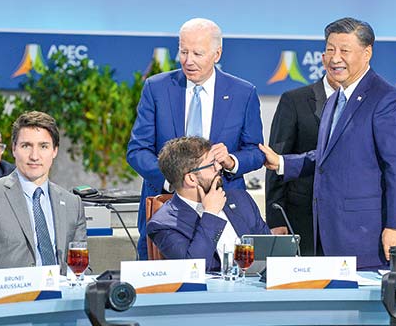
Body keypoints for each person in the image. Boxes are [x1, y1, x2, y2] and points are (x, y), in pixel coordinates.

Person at [260, 17, 396, 270]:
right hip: (326, 232)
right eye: (330, 49)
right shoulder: (336, 99)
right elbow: (329, 156)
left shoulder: (386, 100)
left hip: (367, 239)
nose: (335, 58)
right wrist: (283, 162)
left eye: (344, 50)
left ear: (367, 53)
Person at [127, 18, 265, 260]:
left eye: (197, 53)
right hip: (168, 204)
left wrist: (232, 161)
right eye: (183, 52)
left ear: (217, 54)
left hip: (224, 203)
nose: (188, 61)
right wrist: (175, 181)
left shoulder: (243, 93)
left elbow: (255, 151)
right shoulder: (156, 88)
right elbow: (137, 151)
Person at [0, 111, 86, 280]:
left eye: (43, 146)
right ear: (14, 149)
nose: (34, 156)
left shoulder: (72, 203)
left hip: (63, 300)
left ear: (54, 151)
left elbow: (82, 267)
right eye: (26, 146)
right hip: (12, 301)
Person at [147, 136, 269, 271]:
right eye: (212, 164)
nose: (219, 167)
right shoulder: (163, 224)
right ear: (191, 179)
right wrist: (210, 213)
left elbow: (270, 253)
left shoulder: (241, 199)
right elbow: (193, 269)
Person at [265, 57, 340, 255]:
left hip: (347, 221)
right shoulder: (294, 100)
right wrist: (276, 218)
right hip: (302, 217)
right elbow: (276, 159)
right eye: (332, 51)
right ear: (324, 60)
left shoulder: (365, 103)